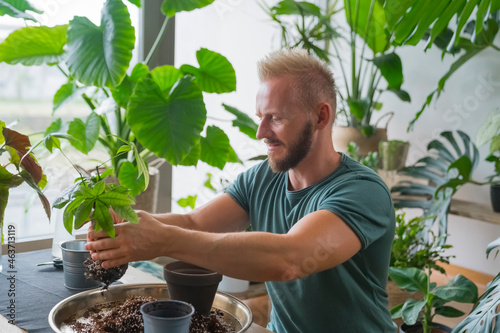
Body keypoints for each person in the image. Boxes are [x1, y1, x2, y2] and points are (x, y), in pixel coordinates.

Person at [86, 48, 397, 332]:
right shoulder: (264, 177)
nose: (261, 132)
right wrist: (132, 225)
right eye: (261, 117)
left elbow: (290, 259)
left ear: (321, 116)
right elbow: (196, 223)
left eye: (275, 118)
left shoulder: (362, 191)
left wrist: (162, 240)